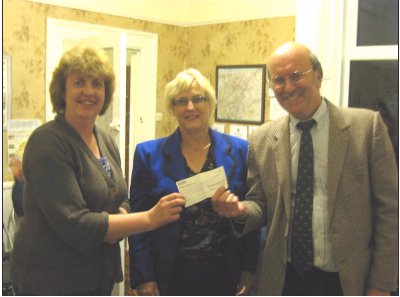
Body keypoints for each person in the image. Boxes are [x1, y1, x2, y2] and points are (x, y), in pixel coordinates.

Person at [212, 42, 398, 295]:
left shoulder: (366, 128)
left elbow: (391, 212)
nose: (288, 87)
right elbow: (260, 204)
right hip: (284, 279)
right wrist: (240, 211)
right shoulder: (262, 138)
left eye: (296, 75)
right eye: (278, 80)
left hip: (346, 280)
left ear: (319, 76)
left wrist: (381, 285)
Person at [10, 46, 185, 296]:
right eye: (79, 82)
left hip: (96, 275)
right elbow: (76, 223)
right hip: (52, 280)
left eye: (97, 84)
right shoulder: (47, 142)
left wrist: (118, 219)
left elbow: (121, 195)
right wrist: (149, 219)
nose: (89, 92)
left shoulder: (104, 139)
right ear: (63, 90)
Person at [128, 68, 260, 296]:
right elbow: (137, 223)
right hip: (170, 273)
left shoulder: (240, 150)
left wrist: (249, 267)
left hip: (226, 271)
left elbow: (251, 213)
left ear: (210, 103)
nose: (190, 107)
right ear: (173, 108)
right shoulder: (148, 154)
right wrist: (144, 277)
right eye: (181, 101)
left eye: (198, 99)